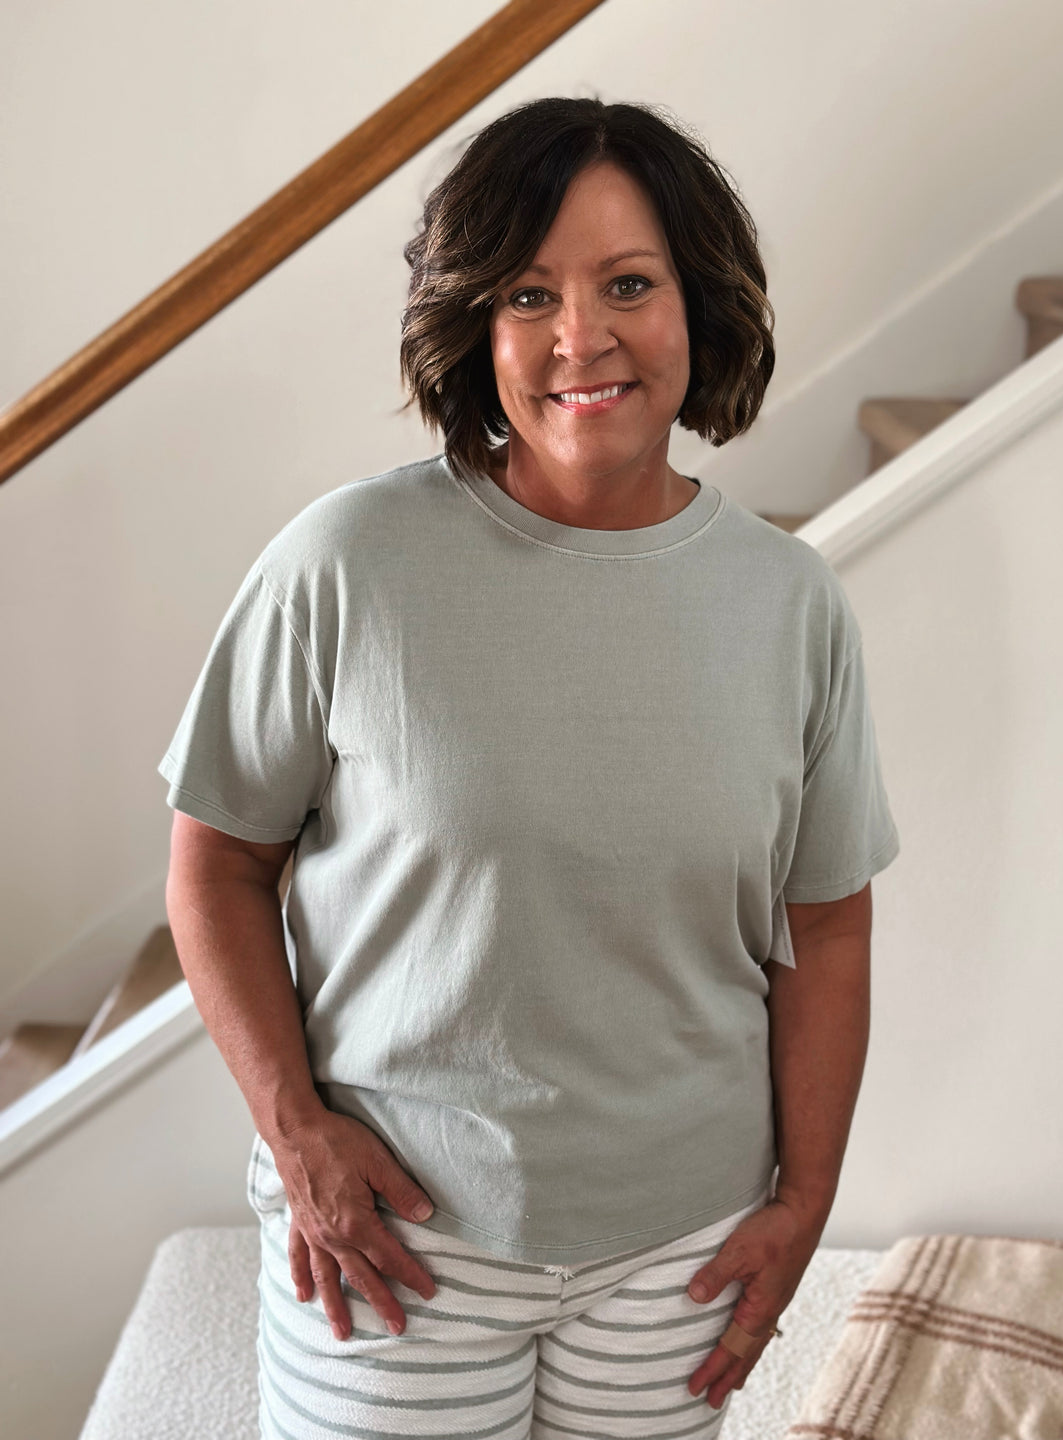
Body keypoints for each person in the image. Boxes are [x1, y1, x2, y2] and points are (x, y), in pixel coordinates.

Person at [160, 96, 900, 1440]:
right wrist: (297, 1137)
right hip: (398, 1240)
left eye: (629, 283)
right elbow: (216, 864)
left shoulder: (792, 604)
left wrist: (805, 1203)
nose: (581, 339)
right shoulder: (343, 567)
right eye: (525, 293)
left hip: (684, 1248)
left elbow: (827, 923)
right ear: (471, 327)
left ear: (700, 307)